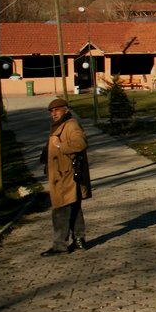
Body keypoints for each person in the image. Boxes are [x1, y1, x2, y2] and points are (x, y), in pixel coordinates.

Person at [41, 98, 91, 256]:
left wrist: (59, 146)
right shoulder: (59, 125)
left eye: (57, 110)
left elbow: (80, 144)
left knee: (60, 211)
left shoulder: (71, 125)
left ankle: (59, 246)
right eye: (51, 111)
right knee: (74, 207)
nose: (53, 114)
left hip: (66, 176)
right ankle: (79, 241)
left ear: (66, 110)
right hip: (63, 175)